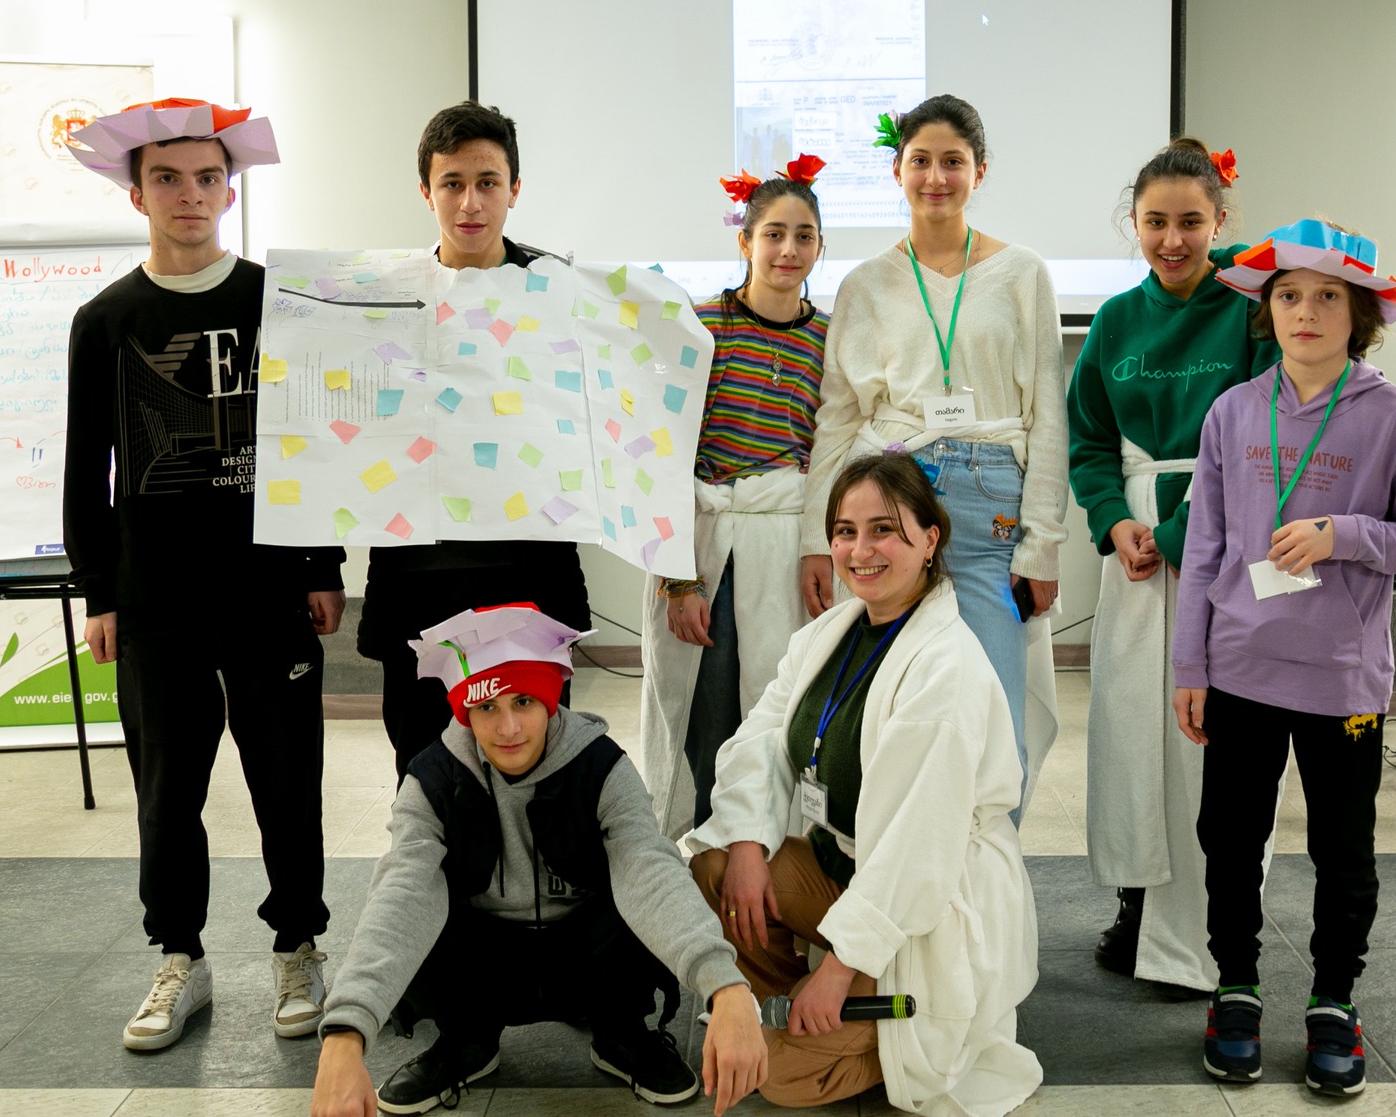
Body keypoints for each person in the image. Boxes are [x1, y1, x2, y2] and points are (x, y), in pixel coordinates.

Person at [62, 98, 345, 1052]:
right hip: (156, 598)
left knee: (287, 780)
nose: (190, 194)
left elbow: (315, 441)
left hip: (268, 593)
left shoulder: (279, 303)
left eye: (208, 177)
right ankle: (179, 953)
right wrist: (98, 590)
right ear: (136, 193)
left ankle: (298, 943)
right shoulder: (105, 320)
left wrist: (322, 562)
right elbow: (86, 468)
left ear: (231, 190)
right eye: (168, 178)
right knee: (165, 789)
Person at [1170, 220, 1396, 1096]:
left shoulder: (1395, 417)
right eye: (1289, 294)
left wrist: (1344, 534)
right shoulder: (1233, 411)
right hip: (1240, 668)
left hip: (1342, 680)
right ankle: (1236, 987)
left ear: (1359, 314)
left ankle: (1334, 998)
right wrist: (1188, 666)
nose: (1306, 311)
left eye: (1329, 296)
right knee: (1229, 839)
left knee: (1342, 845)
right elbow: (1205, 551)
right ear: (1268, 310)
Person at [310, 605, 769, 1117]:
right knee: (418, 899)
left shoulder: (602, 766)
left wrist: (724, 985)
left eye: (524, 701)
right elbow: (400, 895)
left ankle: (620, 1034)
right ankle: (466, 1040)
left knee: (643, 891)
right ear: (464, 712)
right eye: (487, 707)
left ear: (550, 702)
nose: (508, 727)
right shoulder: (431, 780)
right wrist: (346, 1033)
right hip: (482, 964)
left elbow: (651, 870)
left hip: (589, 958)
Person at [688, 452, 1041, 1112]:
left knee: (776, 1077)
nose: (860, 550)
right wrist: (747, 845)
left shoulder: (944, 667)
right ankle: (795, 1004)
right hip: (848, 873)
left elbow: (916, 847)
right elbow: (762, 736)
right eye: (845, 532)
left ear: (930, 539)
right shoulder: (834, 631)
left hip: (927, 910)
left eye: (884, 530)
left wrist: (838, 967)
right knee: (718, 866)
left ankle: (878, 1024)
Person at [800, 95, 1066, 802]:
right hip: (891, 503)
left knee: (995, 725)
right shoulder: (865, 283)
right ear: (897, 170)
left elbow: (1048, 415)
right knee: (889, 720)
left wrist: (1042, 545)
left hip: (989, 513)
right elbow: (837, 417)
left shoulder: (1022, 273)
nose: (936, 177)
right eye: (920, 160)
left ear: (980, 170)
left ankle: (986, 872)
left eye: (954, 161)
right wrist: (816, 540)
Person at [1065, 138, 1279, 995]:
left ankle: (1210, 923)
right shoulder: (1116, 319)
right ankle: (1138, 899)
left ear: (1220, 221)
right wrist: (1114, 521)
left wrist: (1189, 530)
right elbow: (1088, 441)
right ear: (1135, 223)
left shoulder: (1251, 307)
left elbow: (1264, 436)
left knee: (1208, 737)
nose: (1173, 239)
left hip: (1224, 538)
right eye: (1155, 222)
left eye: (1192, 221)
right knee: (1130, 730)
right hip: (1136, 551)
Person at [356, 101, 593, 783]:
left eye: (487, 182)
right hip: (417, 577)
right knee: (424, 770)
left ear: (514, 189)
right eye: (452, 183)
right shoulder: (382, 300)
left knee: (535, 767)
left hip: (530, 573)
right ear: (425, 191)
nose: (470, 202)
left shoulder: (563, 293)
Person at [642, 157, 830, 838]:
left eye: (804, 236)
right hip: (707, 546)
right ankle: (702, 863)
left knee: (780, 715)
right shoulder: (702, 327)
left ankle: (772, 857)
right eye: (773, 233)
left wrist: (821, 545)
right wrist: (679, 578)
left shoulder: (828, 337)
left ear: (820, 247)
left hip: (786, 544)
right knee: (708, 716)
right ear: (745, 240)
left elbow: (829, 447)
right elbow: (660, 451)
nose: (788, 250)